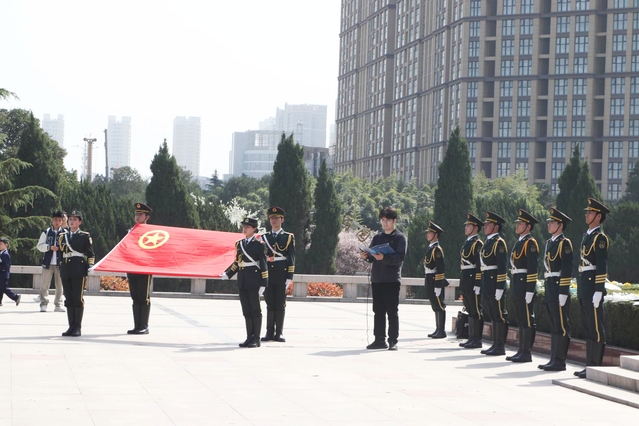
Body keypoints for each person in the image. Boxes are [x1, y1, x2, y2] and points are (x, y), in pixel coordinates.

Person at [359, 207, 407, 351]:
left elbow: (400, 258)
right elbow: (372, 256)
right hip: (377, 279)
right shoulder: (377, 238)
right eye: (383, 220)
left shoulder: (400, 238)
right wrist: (366, 256)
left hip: (391, 280)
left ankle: (393, 340)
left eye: (388, 220)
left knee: (392, 311)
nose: (385, 223)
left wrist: (384, 257)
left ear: (394, 221)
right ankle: (379, 339)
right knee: (378, 311)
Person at [575, 198, 610, 378]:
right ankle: (589, 363)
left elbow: (601, 266)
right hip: (584, 286)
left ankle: (595, 364)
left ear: (598, 216)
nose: (586, 215)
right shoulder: (587, 236)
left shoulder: (599, 238)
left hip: (592, 287)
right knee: (588, 326)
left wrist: (598, 290)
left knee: (596, 326)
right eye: (587, 212)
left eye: (590, 212)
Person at [221, 217, 268, 348]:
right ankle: (249, 337)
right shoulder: (239, 244)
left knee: (255, 310)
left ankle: (256, 338)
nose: (245, 229)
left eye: (247, 227)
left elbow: (263, 264)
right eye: (244, 226)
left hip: (254, 281)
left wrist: (264, 283)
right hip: (242, 280)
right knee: (246, 310)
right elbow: (237, 262)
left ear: (254, 229)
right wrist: (228, 273)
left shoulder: (259, 245)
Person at [539, 207, 573, 372]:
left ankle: (560, 361)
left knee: (561, 326)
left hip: (558, 287)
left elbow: (567, 268)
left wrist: (563, 291)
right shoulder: (549, 243)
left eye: (552, 222)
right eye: (549, 222)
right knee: (554, 326)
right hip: (550, 287)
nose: (549, 224)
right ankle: (553, 358)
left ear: (560, 225)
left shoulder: (564, 243)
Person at [506, 209, 539, 363]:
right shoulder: (519, 242)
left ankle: (527, 352)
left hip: (525, 285)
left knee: (527, 319)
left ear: (528, 226)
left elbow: (533, 268)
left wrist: (530, 290)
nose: (517, 225)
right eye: (518, 223)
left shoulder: (530, 243)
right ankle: (521, 350)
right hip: (517, 283)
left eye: (520, 223)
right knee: (520, 319)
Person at [261, 206, 295, 342]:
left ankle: (279, 332)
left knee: (280, 304)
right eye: (271, 218)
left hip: (281, 273)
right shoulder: (264, 237)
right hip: (268, 273)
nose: (273, 220)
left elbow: (291, 257)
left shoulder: (288, 237)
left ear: (282, 220)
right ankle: (269, 332)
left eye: (276, 218)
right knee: (269, 303)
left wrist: (289, 276)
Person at [58, 211, 95, 337]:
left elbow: (90, 254)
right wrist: (60, 266)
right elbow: (60, 254)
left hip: (78, 269)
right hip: (66, 269)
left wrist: (90, 266)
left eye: (75, 219)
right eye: (70, 219)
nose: (72, 221)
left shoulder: (84, 236)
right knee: (68, 298)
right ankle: (71, 326)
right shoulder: (63, 236)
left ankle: (77, 327)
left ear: (80, 222)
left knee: (77, 298)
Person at [479, 211, 509, 356]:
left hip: (495, 283)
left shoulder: (499, 243)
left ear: (496, 227)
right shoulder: (488, 242)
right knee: (492, 314)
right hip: (487, 282)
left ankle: (500, 346)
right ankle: (495, 344)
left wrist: (500, 287)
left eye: (488, 224)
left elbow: (502, 267)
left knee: (499, 315)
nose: (485, 227)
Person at [127, 203, 153, 335]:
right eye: (136, 214)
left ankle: (144, 325)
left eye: (140, 214)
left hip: (144, 267)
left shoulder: (151, 232)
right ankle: (137, 325)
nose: (137, 217)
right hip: (132, 266)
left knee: (143, 297)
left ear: (147, 217)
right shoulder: (130, 231)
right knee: (135, 296)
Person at [459, 213, 484, 349]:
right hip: (465, 277)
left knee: (476, 310)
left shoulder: (477, 244)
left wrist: (478, 282)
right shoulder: (468, 243)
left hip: (472, 278)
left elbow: (479, 265)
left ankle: (477, 339)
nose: (465, 227)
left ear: (475, 228)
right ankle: (471, 337)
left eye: (468, 225)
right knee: (469, 308)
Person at [36, 210, 67, 312]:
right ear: (52, 220)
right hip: (48, 262)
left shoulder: (65, 233)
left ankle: (58, 305)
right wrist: (49, 247)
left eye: (59, 220)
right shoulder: (46, 232)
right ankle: (43, 303)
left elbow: (68, 248)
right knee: (44, 285)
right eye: (55, 220)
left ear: (62, 221)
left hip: (60, 263)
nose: (57, 222)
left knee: (59, 285)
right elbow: (39, 246)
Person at [424, 221, 447, 339]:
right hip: (429, 278)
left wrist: (438, 285)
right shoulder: (431, 248)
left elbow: (440, 269)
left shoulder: (437, 250)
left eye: (430, 233)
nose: (427, 234)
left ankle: (441, 330)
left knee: (439, 305)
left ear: (436, 235)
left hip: (434, 279)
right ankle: (438, 329)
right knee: (434, 304)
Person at [0, 237, 21, 307]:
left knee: (4, 288)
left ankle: (16, 297)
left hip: (3, 274)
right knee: (1, 288)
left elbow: (5, 265)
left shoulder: (5, 254)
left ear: (6, 245)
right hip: (2, 274)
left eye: (1, 244)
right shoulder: (2, 253)